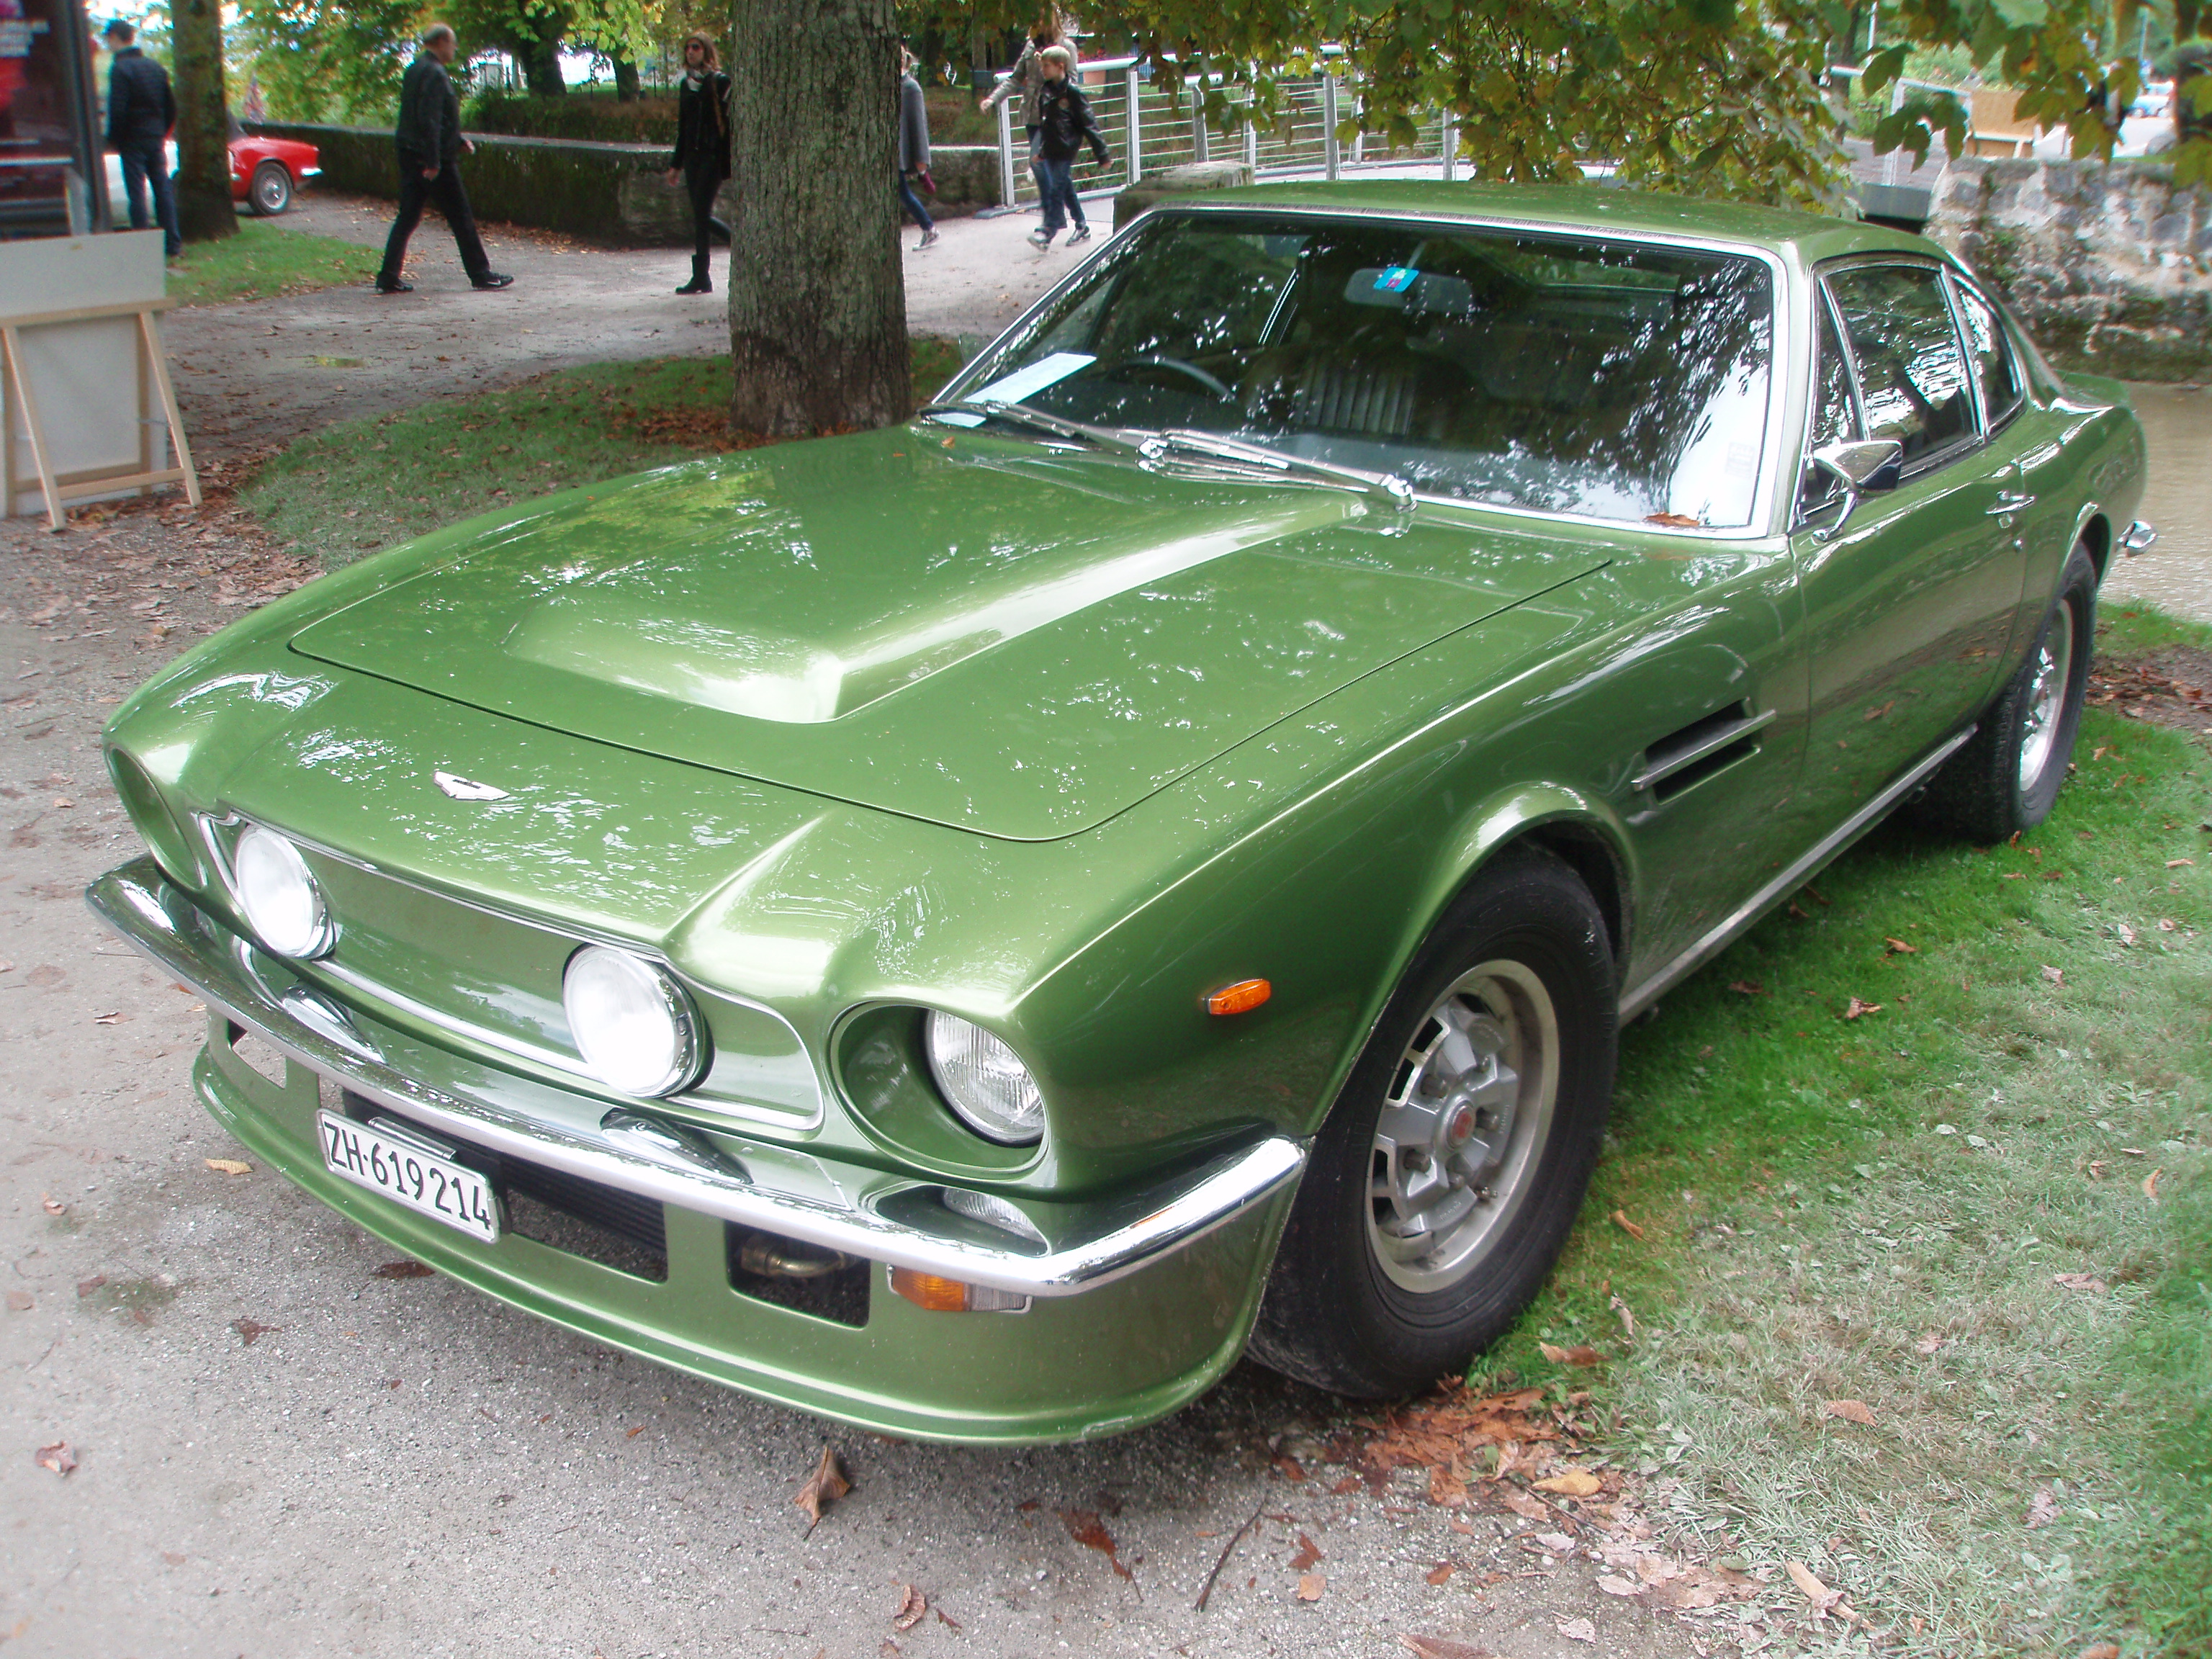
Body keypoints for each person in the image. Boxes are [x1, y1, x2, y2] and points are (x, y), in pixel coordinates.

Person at [374, 23, 511, 295]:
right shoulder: (436, 73)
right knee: (461, 216)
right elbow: (430, 119)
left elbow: (424, 118)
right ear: (440, 42)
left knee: (408, 216)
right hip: (432, 160)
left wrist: (456, 141)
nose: (455, 48)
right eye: (452, 42)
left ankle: (388, 276)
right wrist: (434, 162)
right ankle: (481, 274)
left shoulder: (414, 70)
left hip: (411, 153)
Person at [99, 19, 179, 259]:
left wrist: (113, 139)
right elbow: (171, 107)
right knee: (162, 189)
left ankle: (143, 245)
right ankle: (173, 243)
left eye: (107, 39)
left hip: (132, 140)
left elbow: (118, 110)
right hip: (155, 138)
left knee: (136, 192)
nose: (107, 44)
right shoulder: (155, 67)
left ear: (115, 37)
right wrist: (161, 132)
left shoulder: (120, 69)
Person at [662, 32, 732, 295]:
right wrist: (676, 165)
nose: (691, 52)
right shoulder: (685, 85)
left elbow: (728, 123)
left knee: (702, 214)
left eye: (696, 47)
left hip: (712, 157)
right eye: (688, 48)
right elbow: (684, 127)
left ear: (706, 51)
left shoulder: (720, 82)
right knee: (699, 217)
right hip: (692, 158)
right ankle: (701, 278)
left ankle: (737, 241)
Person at [1028, 45, 1107, 250]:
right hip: (1052, 148)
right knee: (1065, 188)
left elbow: (1089, 124)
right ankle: (1082, 225)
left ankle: (1048, 231)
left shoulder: (1073, 92)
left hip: (1067, 148)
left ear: (1060, 66)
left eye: (1047, 66)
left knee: (1056, 188)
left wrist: (1102, 154)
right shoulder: (1045, 91)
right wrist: (1042, 151)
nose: (1043, 70)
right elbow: (1046, 124)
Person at [979, 12, 1064, 202]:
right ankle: (1056, 214)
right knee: (1047, 166)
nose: (1037, 24)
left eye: (1041, 19)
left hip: (1053, 115)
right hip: (1032, 114)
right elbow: (1015, 78)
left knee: (1038, 162)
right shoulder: (1031, 45)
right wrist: (993, 99)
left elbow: (1070, 81)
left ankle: (1055, 213)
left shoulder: (1064, 47)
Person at [898, 50, 937, 251]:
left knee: (902, 191)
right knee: (901, 192)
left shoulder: (910, 88)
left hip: (898, 154)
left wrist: (922, 168)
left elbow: (917, 127)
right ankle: (928, 228)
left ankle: (929, 228)